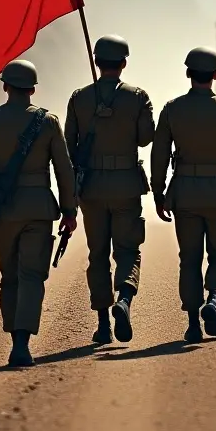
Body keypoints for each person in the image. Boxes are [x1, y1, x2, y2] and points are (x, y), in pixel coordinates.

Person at [0, 59, 78, 367]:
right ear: (33, 89)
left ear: (5, 87)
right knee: (31, 276)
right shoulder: (48, 122)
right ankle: (22, 343)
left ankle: (15, 339)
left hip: (3, 212)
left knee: (10, 276)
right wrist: (69, 210)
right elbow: (64, 170)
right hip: (39, 209)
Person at [151, 47, 216, 342]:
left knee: (190, 259)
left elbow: (159, 156)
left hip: (184, 195)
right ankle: (214, 300)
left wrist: (159, 193)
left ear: (188, 74)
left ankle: (193, 324)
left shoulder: (172, 109)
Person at [64, 34, 155, 345]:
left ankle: (103, 324)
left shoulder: (78, 99)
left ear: (96, 62)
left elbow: (69, 148)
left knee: (98, 254)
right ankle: (124, 301)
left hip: (91, 190)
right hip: (126, 187)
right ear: (124, 63)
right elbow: (145, 138)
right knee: (128, 251)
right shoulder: (138, 98)